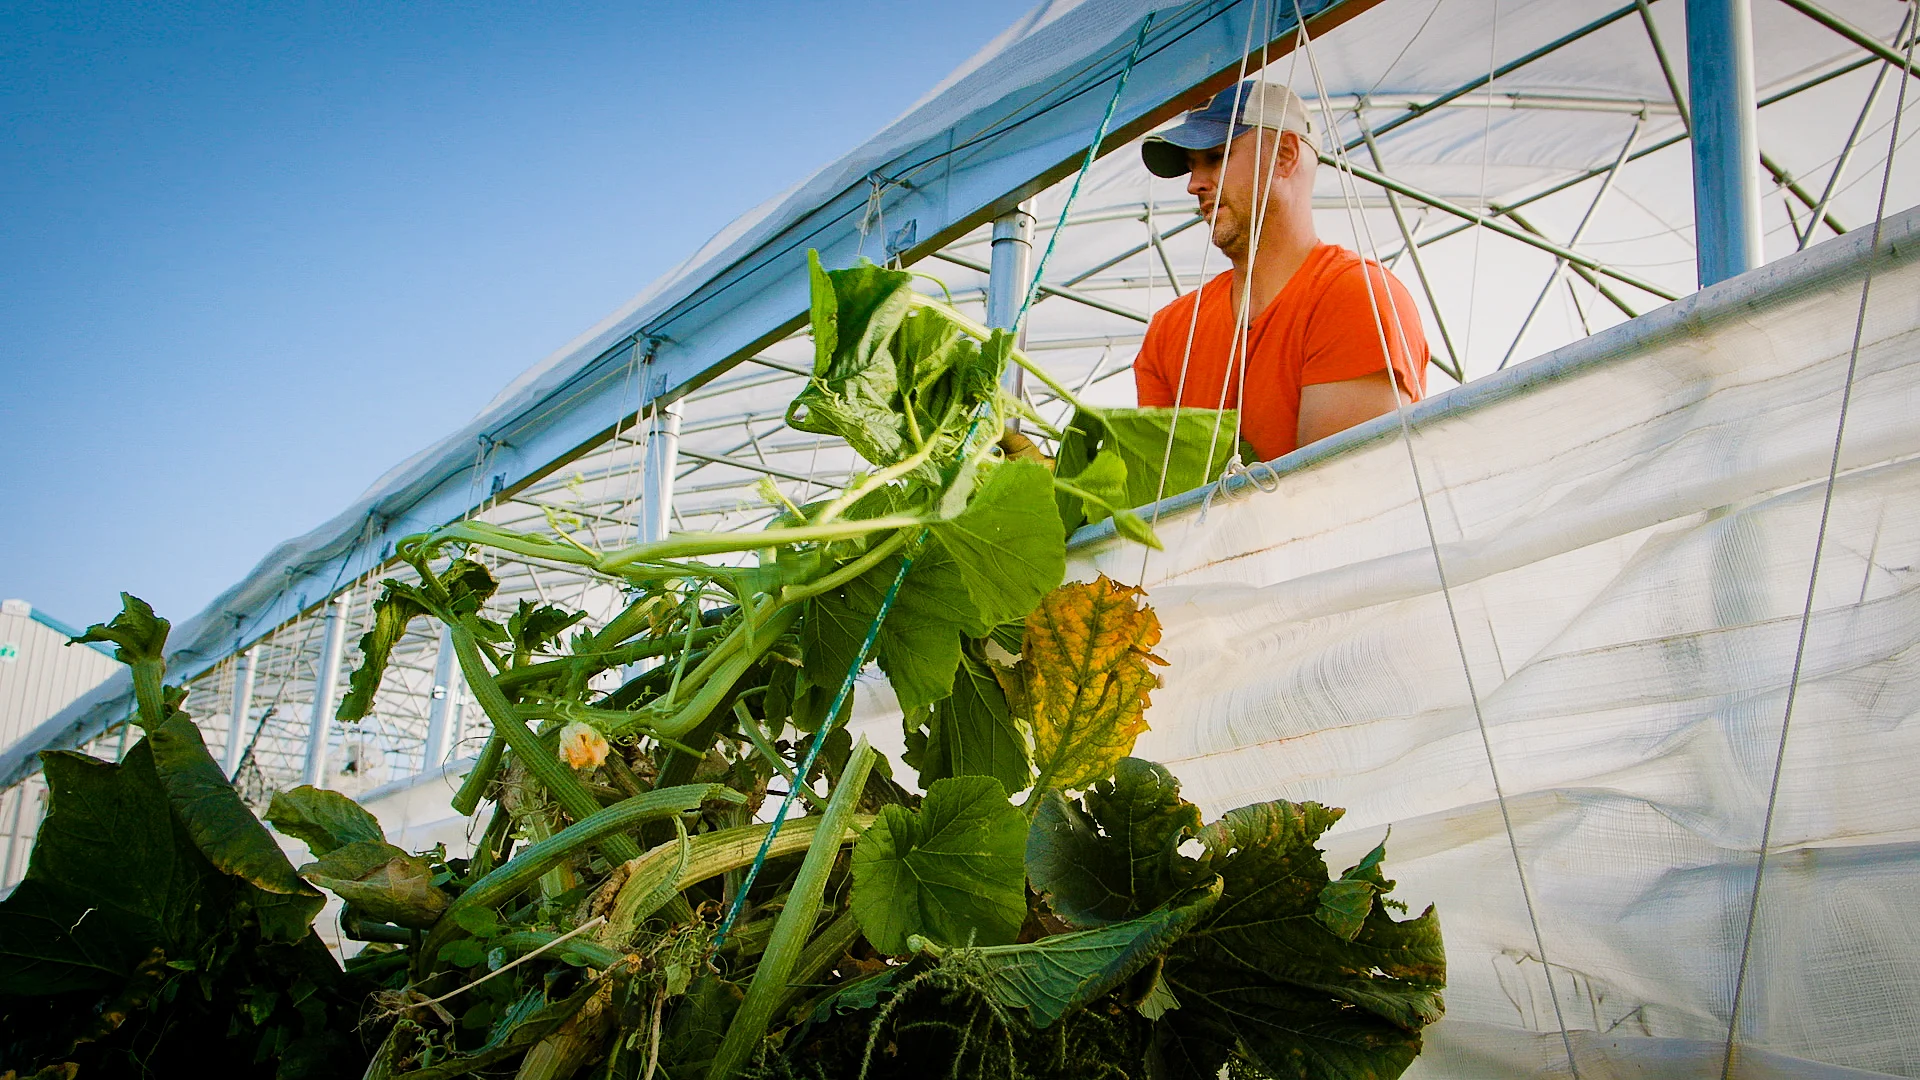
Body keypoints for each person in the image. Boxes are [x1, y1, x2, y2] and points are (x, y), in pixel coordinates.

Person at [1134, 81, 1429, 462]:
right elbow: (1158, 496)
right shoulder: (1169, 330)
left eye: (1216, 156)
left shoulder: (1355, 296)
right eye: (1191, 166)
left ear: (1285, 156)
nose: (1194, 185)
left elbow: (1338, 496)